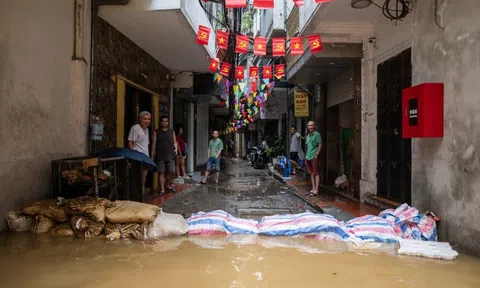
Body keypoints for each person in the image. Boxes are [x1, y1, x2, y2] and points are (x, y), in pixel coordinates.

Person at [151, 116, 178, 196]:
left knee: (172, 171)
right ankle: (162, 189)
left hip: (170, 154)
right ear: (160, 122)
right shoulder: (156, 132)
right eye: (163, 121)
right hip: (160, 154)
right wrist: (152, 153)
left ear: (168, 122)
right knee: (161, 172)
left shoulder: (171, 131)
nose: (164, 123)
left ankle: (167, 183)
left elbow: (174, 141)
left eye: (166, 121)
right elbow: (154, 144)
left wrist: (176, 148)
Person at [127, 111, 151, 192]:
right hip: (137, 157)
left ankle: (142, 195)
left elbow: (146, 144)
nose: (147, 121)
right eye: (145, 119)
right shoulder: (135, 128)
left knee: (143, 179)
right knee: (137, 179)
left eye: (148, 119)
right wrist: (131, 157)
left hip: (145, 157)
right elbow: (130, 142)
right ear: (140, 119)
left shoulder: (147, 130)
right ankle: (137, 196)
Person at [305, 121, 322, 196]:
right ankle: (313, 188)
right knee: (311, 173)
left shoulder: (317, 134)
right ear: (307, 127)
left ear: (314, 126)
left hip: (313, 156)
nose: (310, 127)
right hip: (308, 156)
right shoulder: (308, 135)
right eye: (309, 125)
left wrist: (317, 154)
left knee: (316, 173)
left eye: (312, 125)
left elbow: (320, 145)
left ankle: (317, 190)